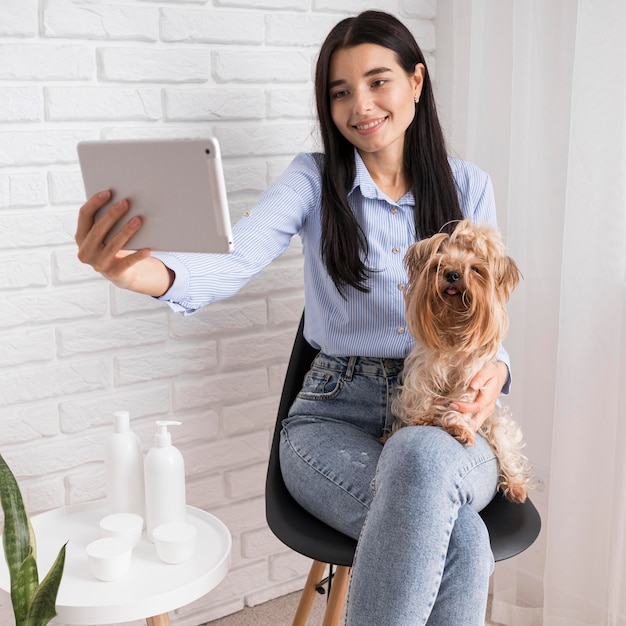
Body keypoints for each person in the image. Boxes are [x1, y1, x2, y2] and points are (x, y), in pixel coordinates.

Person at [76, 10, 509, 625]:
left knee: (420, 456)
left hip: (449, 412)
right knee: (459, 539)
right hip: (334, 413)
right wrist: (131, 271)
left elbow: (491, 315)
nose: (360, 104)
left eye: (378, 81)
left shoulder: (469, 186)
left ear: (416, 82)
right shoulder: (313, 181)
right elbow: (233, 259)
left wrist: (495, 370)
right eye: (340, 92)